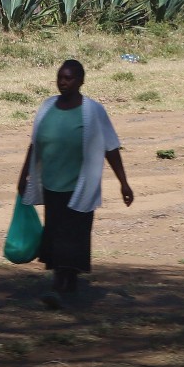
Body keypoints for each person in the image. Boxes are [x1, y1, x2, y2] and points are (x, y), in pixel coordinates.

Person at [15, 59, 134, 308]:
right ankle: (60, 280)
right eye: (60, 77)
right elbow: (35, 142)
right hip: (51, 184)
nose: (63, 82)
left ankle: (68, 283)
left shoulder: (93, 111)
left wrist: (124, 183)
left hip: (80, 186)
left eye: (69, 78)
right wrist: (24, 173)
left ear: (81, 81)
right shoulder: (47, 106)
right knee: (55, 233)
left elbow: (110, 147)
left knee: (75, 235)